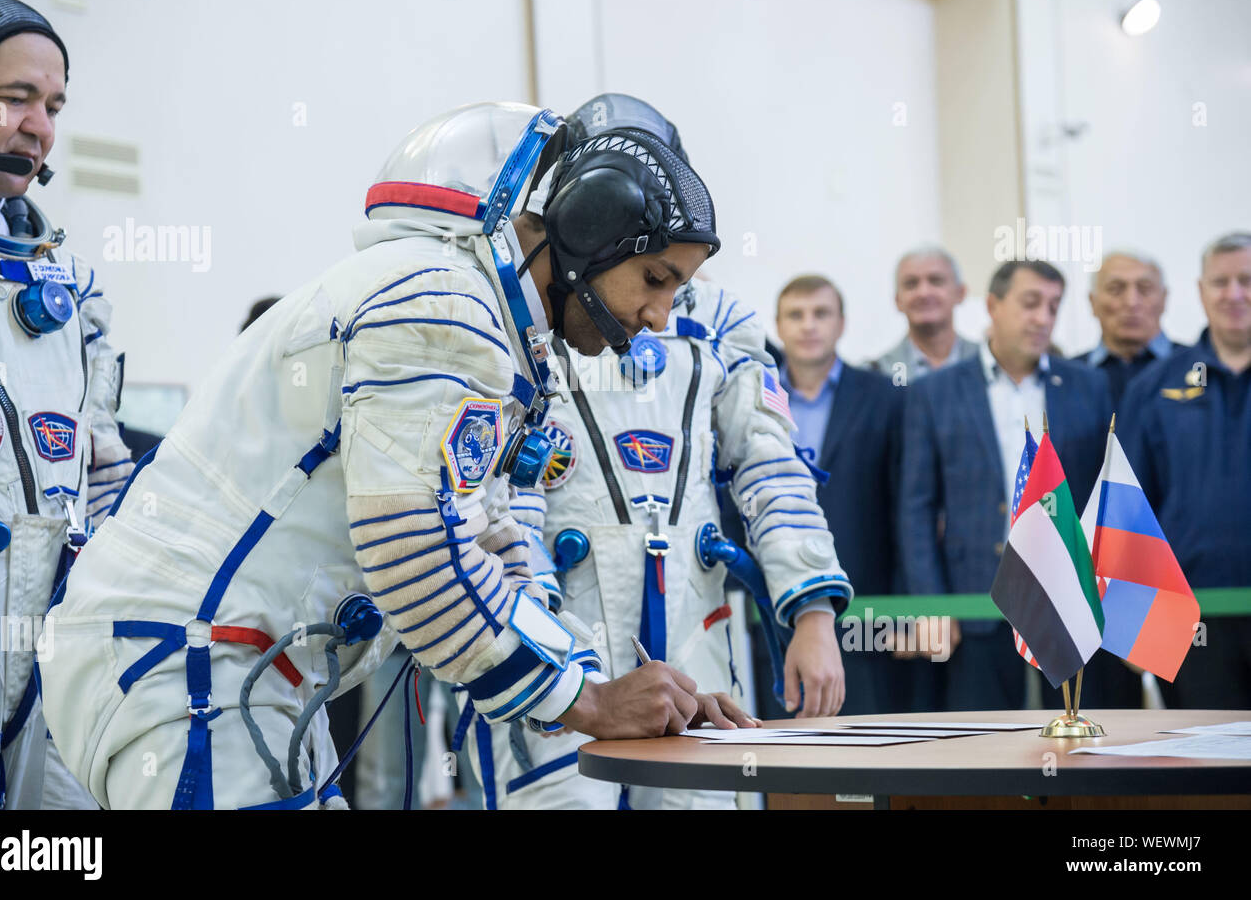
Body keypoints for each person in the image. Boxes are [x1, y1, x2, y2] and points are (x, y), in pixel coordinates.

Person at [40, 102, 747, 811]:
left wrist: (610, 686)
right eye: (655, 279)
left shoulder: (473, 312)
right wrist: (588, 700)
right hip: (192, 665)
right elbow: (416, 551)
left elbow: (489, 535)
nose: (660, 315)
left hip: (245, 669)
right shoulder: (436, 303)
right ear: (590, 233)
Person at [462, 97, 849, 810]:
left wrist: (814, 611)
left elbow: (770, 461)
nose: (656, 305)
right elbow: (499, 485)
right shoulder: (527, 312)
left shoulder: (720, 320)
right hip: (563, 625)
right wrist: (533, 621)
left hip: (695, 630)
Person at [0, 0, 132, 810]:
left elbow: (104, 481)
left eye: (53, 105)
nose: (39, 128)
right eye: (14, 99)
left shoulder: (70, 288)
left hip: (62, 651)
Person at [899, 260, 1111, 710]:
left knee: (1072, 746)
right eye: (1030, 303)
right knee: (986, 749)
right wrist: (935, 605)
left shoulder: (1088, 387)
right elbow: (916, 508)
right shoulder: (934, 392)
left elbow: (1103, 496)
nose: (1042, 317)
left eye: (1053, 306)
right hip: (977, 602)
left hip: (1067, 601)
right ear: (993, 305)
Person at [1118, 232, 1251, 709]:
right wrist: (1133, 618)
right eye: (1221, 282)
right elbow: (1129, 507)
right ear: (1200, 291)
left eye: (1247, 280)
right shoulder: (1155, 388)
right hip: (1191, 623)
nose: (1234, 294)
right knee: (1205, 770)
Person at [774, 275, 902, 715]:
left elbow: (905, 505)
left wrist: (904, 604)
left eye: (821, 314)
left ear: (841, 323)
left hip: (866, 599)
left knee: (862, 737)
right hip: (774, 600)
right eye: (796, 315)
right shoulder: (754, 395)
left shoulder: (885, 397)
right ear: (778, 325)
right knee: (783, 739)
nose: (809, 325)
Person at [1076, 251, 1173, 406]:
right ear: (1092, 301)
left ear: (1164, 299)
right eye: (1115, 289)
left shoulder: (1199, 370)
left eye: (1145, 289)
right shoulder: (1067, 377)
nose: (1131, 302)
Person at [871, 246, 980, 384]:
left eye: (936, 281)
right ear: (898, 300)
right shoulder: (877, 374)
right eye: (911, 284)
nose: (923, 293)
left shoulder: (989, 363)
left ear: (960, 293)